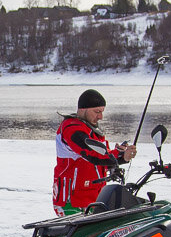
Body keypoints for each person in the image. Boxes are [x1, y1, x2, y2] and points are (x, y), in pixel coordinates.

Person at [53, 88, 136, 216]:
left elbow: (102, 158)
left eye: (102, 112)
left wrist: (120, 154)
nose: (100, 117)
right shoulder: (71, 128)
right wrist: (118, 156)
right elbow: (91, 154)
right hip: (72, 201)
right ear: (82, 109)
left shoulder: (91, 130)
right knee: (83, 236)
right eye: (97, 111)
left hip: (94, 198)